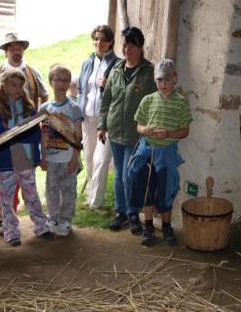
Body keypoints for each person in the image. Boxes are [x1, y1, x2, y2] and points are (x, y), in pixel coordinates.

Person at [98, 27, 156, 233]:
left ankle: (132, 213)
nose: (127, 49)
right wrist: (101, 125)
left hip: (136, 134)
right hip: (115, 131)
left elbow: (154, 104)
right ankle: (120, 212)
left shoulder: (149, 73)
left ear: (140, 48)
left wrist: (151, 129)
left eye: (132, 46)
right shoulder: (116, 70)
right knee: (119, 174)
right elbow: (106, 100)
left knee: (129, 175)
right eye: (124, 45)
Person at [130, 59, 192, 246]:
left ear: (175, 79)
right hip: (147, 151)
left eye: (166, 80)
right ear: (155, 80)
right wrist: (145, 130)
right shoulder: (148, 100)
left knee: (166, 191)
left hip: (167, 152)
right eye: (159, 80)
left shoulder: (181, 103)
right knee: (148, 189)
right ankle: (148, 227)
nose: (163, 84)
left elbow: (185, 131)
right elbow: (139, 126)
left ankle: (166, 227)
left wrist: (168, 134)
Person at [0, 68, 51, 246]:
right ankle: (11, 231)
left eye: (20, 85)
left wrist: (17, 133)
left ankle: (41, 226)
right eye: (13, 85)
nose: (17, 89)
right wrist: (13, 133)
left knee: (31, 194)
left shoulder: (29, 108)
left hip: (25, 157)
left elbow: (34, 134)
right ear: (4, 86)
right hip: (5, 160)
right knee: (7, 199)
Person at [78, 25, 120, 209]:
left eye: (103, 39)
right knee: (88, 158)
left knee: (101, 160)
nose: (99, 43)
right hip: (87, 118)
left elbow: (122, 93)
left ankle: (96, 202)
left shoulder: (118, 64)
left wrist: (109, 84)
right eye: (96, 39)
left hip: (106, 121)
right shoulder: (87, 63)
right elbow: (81, 90)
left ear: (111, 41)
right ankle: (91, 197)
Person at [40, 64, 83, 237]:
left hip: (67, 158)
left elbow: (78, 137)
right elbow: (43, 135)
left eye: (66, 80)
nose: (62, 83)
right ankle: (53, 218)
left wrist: (74, 159)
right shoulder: (45, 109)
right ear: (51, 82)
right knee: (51, 190)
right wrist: (43, 157)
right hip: (51, 158)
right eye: (58, 79)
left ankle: (65, 220)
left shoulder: (74, 108)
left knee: (68, 191)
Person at [0, 32, 49, 108]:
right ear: (6, 52)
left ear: (23, 51)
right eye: (12, 49)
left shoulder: (33, 73)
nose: (16, 52)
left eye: (19, 49)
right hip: (4, 118)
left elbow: (44, 96)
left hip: (29, 118)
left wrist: (41, 115)